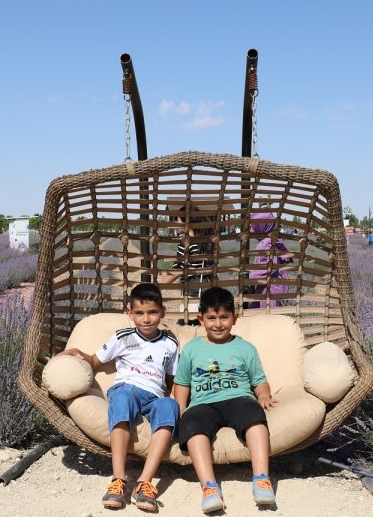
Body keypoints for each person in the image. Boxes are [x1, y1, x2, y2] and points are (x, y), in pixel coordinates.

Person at [62, 283, 180, 512]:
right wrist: (74, 353)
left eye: (152, 312)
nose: (146, 319)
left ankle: (145, 483)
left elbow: (171, 379)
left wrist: (174, 399)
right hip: (127, 387)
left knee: (169, 408)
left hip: (155, 394)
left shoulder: (170, 343)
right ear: (130, 313)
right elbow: (95, 361)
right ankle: (118, 480)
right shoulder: (122, 336)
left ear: (162, 312)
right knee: (123, 399)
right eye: (139, 313)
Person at [173, 287, 277, 514]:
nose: (217, 324)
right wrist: (180, 406)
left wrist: (264, 395)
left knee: (254, 417)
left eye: (224, 317)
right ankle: (209, 487)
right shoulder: (192, 349)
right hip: (203, 403)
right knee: (191, 424)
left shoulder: (245, 348)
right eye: (211, 318)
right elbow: (182, 383)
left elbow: (259, 380)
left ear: (235, 317)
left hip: (238, 399)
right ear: (201, 319)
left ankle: (261, 479)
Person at [247, 212, 293, 308]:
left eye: (252, 226)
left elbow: (270, 267)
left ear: (261, 225)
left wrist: (250, 276)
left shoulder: (267, 243)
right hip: (269, 285)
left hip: (271, 288)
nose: (250, 229)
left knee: (268, 316)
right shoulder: (269, 240)